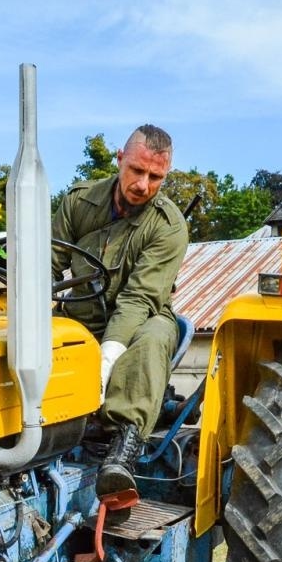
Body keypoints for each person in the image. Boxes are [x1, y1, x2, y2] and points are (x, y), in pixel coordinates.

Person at [50, 125, 189, 500]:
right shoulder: (79, 203)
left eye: (155, 177)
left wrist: (107, 356)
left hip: (143, 319)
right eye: (137, 171)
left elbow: (138, 299)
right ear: (119, 160)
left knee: (155, 335)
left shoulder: (168, 227)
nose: (143, 185)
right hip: (81, 319)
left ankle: (123, 450)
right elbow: (47, 265)